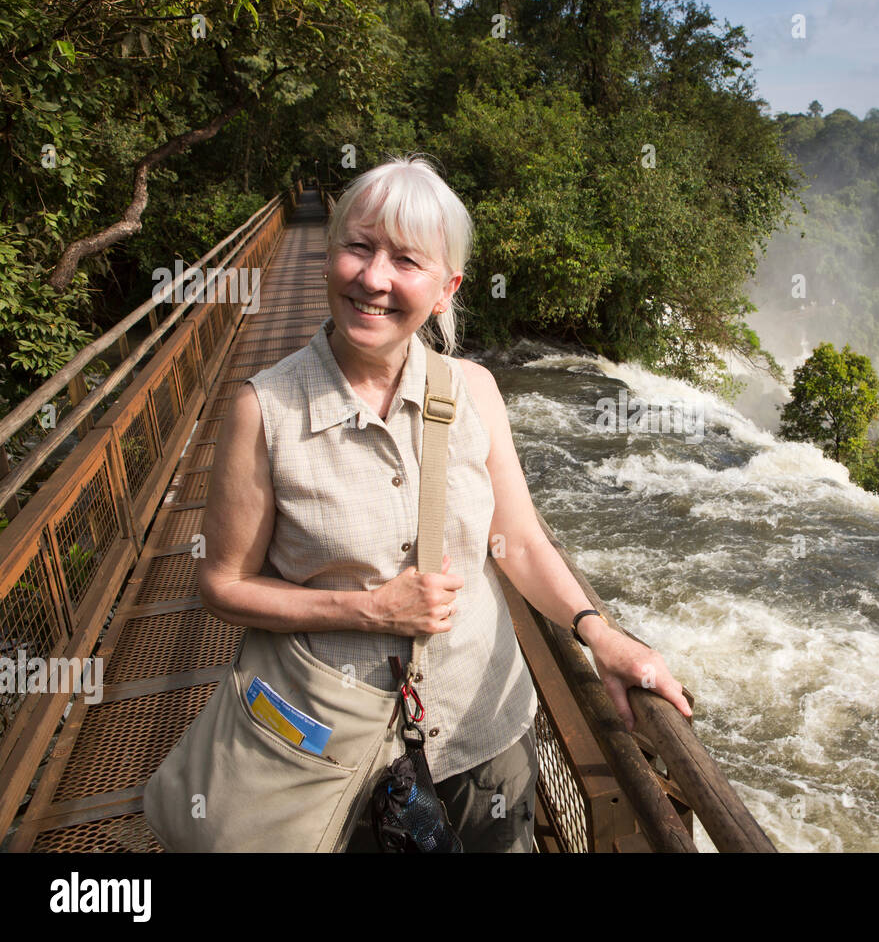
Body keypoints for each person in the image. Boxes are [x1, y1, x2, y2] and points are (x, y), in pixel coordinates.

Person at [196, 153, 692, 852]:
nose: (373, 278)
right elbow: (222, 584)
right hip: (332, 751)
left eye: (405, 260)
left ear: (445, 288)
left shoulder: (475, 392)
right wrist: (365, 609)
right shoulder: (264, 410)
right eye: (358, 248)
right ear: (328, 254)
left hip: (481, 734)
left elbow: (515, 542)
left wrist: (598, 633)